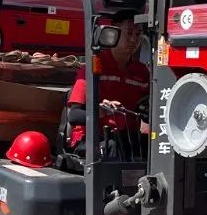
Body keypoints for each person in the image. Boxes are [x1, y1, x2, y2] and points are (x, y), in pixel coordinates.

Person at [64, 12, 150, 157]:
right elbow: (74, 115)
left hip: (127, 138)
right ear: (112, 33)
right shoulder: (93, 67)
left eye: (138, 34)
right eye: (128, 33)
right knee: (114, 147)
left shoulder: (142, 72)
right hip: (91, 139)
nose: (134, 40)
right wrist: (101, 111)